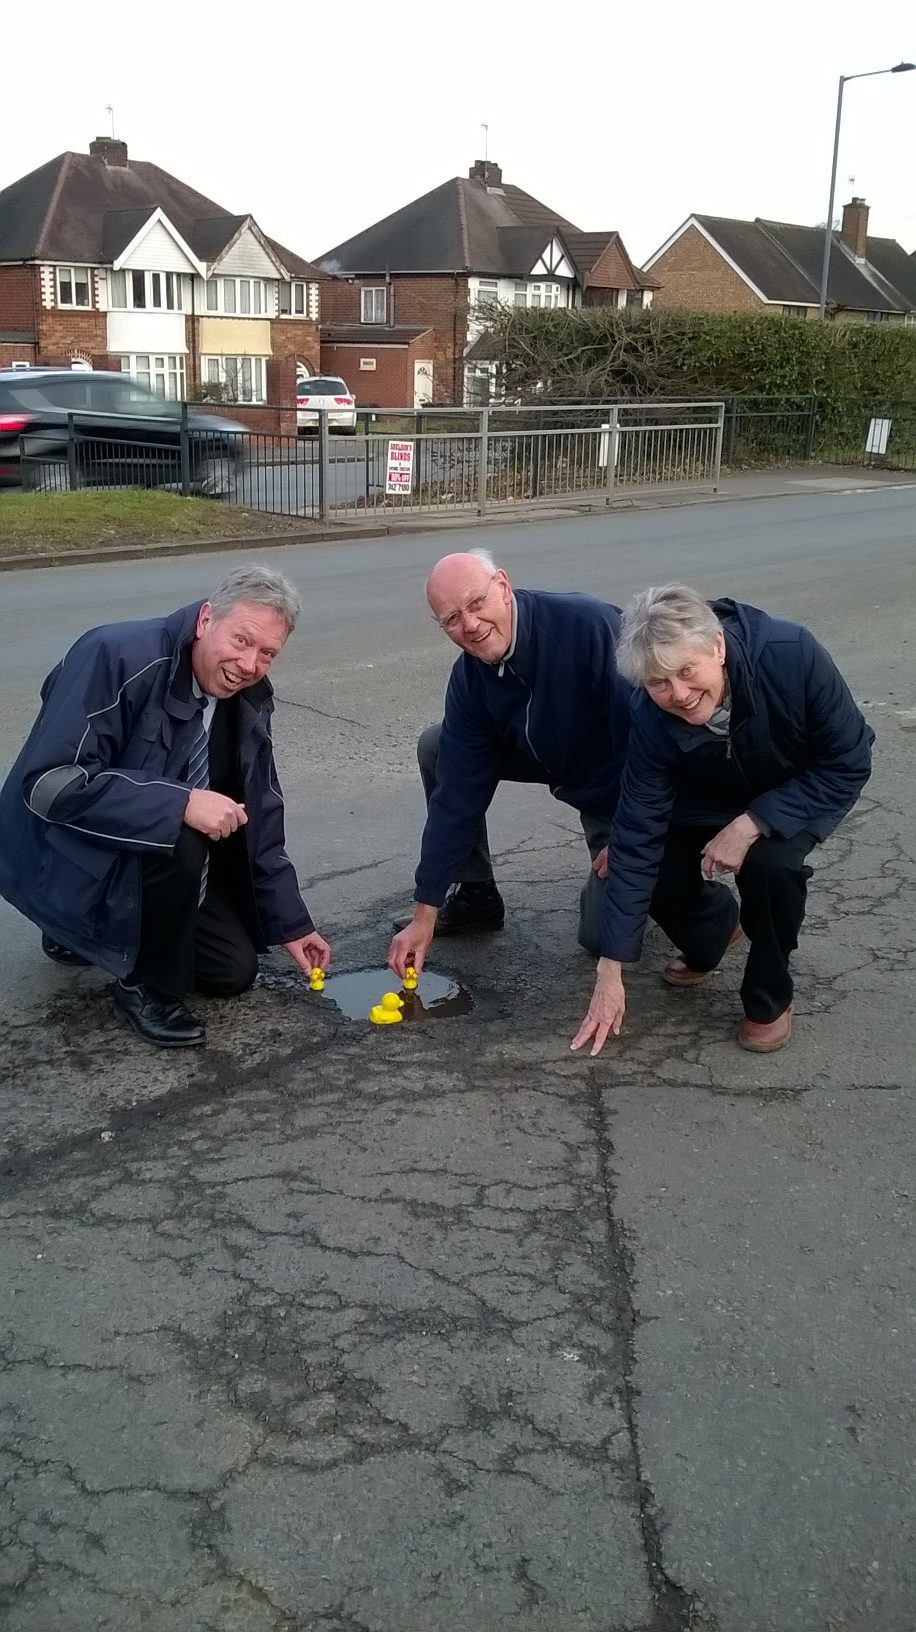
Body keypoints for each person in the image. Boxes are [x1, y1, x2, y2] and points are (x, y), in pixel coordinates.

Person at [0, 565, 330, 1048]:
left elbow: (260, 812)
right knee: (184, 825)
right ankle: (140, 984)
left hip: (146, 861)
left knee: (232, 972)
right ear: (204, 621)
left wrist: (292, 924)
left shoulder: (249, 698)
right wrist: (179, 802)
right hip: (67, 851)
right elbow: (49, 784)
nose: (248, 664)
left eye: (267, 653)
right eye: (241, 640)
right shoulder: (114, 655)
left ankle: (83, 933)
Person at [571, 584, 874, 1058]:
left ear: (716, 646)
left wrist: (755, 821)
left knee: (772, 868)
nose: (680, 695)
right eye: (659, 683)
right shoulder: (649, 712)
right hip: (705, 793)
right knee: (641, 867)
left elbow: (848, 760)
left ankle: (769, 996)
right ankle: (713, 932)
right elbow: (641, 821)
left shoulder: (792, 654)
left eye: (687, 672)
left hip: (796, 785)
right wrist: (611, 970)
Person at [387, 548, 633, 979]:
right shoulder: (470, 677)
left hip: (614, 780)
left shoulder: (589, 626)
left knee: (602, 936)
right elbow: (456, 797)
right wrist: (425, 910)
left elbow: (647, 746)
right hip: (548, 755)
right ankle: (477, 895)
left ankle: (710, 904)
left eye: (476, 604)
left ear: (502, 585)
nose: (470, 626)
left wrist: (633, 832)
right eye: (451, 619)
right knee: (438, 746)